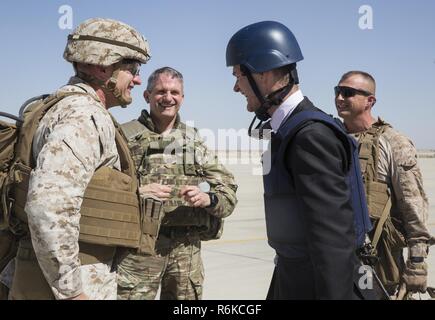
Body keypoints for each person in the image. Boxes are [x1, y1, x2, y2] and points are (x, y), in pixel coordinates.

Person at [3, 18, 151, 300]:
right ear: (102, 66)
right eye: (131, 68)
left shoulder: (64, 107)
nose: (137, 78)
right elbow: (49, 205)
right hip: (68, 282)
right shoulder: (83, 115)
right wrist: (71, 291)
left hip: (47, 272)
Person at [226, 21, 374, 300]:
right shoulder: (290, 129)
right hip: (294, 277)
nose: (236, 87)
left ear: (263, 73)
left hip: (314, 285)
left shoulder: (310, 136)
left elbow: (332, 241)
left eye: (238, 75)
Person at [117, 67, 238, 300]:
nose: (168, 97)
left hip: (186, 249)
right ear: (147, 96)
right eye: (161, 91)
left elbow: (227, 191)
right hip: (139, 248)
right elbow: (101, 192)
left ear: (182, 97)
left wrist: (207, 198)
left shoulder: (193, 141)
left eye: (175, 92)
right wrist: (136, 193)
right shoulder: (125, 137)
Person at [335, 71, 435, 297]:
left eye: (348, 93)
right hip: (336, 259)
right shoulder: (332, 140)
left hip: (377, 263)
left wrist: (417, 263)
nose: (340, 97)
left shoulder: (392, 142)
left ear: (370, 100)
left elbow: (413, 204)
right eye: (337, 91)